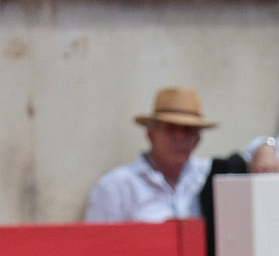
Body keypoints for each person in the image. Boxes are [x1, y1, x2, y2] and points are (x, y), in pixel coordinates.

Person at [85, 88, 218, 223]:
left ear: (198, 139)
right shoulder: (116, 187)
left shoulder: (209, 178)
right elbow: (97, 242)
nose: (180, 137)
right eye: (170, 128)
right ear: (151, 134)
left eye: (188, 130)